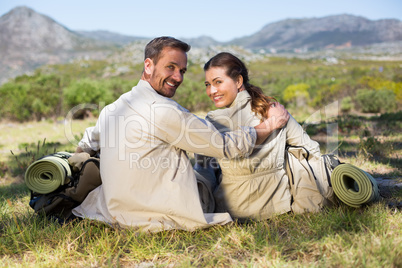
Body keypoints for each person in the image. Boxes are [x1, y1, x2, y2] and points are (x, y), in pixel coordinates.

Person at [72, 37, 290, 232]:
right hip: (160, 214)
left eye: (182, 71)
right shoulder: (165, 111)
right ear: (148, 65)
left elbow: (84, 146)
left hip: (112, 210)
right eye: (171, 67)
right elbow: (227, 147)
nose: (177, 77)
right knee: (209, 167)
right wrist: (270, 124)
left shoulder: (111, 109)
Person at [195, 52, 338, 222]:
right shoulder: (275, 111)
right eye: (207, 84)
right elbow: (310, 149)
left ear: (238, 81)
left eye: (218, 82)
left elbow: (204, 168)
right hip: (280, 206)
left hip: (232, 211)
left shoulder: (213, 120)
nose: (211, 91)